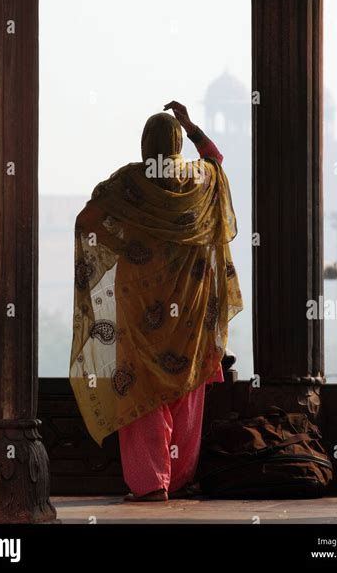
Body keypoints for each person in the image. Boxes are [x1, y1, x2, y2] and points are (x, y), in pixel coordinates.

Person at [69, 101, 243, 501]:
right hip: (192, 307)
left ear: (146, 145)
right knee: (188, 387)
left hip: (141, 302)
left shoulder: (131, 184)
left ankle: (150, 484)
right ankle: (179, 478)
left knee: (141, 389)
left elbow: (90, 219)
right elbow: (216, 160)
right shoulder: (200, 180)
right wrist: (193, 126)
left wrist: (124, 245)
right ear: (179, 142)